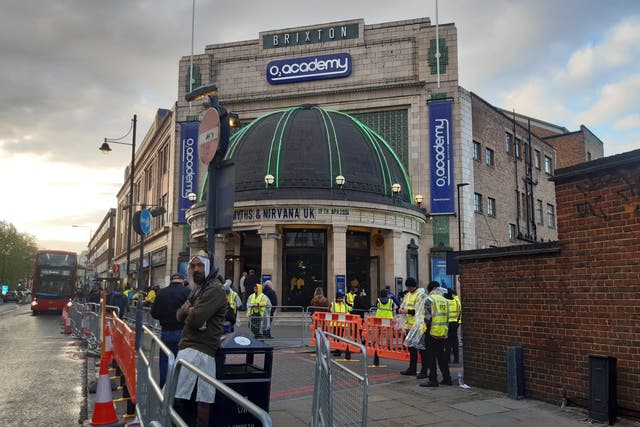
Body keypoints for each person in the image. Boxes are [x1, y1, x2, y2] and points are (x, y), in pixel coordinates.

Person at [173, 254, 227, 426]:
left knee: (186, 403)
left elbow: (196, 319)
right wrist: (188, 311)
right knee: (182, 401)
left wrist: (189, 312)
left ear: (208, 267)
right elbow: (178, 315)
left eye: (200, 266)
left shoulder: (214, 289)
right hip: (189, 350)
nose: (196, 269)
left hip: (200, 351)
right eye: (193, 266)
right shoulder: (198, 289)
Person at [150, 273, 190, 388]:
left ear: (171, 281)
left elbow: (154, 313)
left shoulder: (161, 293)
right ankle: (179, 392)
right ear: (182, 281)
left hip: (166, 332)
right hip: (183, 332)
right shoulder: (187, 292)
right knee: (182, 363)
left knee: (165, 362)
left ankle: (164, 390)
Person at [420, 281, 452, 388]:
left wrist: (423, 326)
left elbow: (428, 317)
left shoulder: (430, 299)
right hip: (442, 332)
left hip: (432, 332)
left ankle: (433, 379)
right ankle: (447, 378)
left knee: (430, 356)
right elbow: (448, 317)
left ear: (430, 290)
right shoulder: (445, 300)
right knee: (441, 356)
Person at [398, 277, 428, 379]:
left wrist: (408, 311)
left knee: (421, 349)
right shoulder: (408, 295)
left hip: (418, 326)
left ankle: (424, 371)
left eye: (408, 287)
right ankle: (412, 369)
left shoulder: (421, 295)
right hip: (409, 325)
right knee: (412, 349)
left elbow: (420, 310)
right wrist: (401, 310)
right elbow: (404, 305)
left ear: (412, 286)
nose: (407, 289)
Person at [329, 291, 351, 356]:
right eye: (339, 298)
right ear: (336, 298)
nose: (340, 299)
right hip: (335, 324)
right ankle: (337, 350)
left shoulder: (345, 305)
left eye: (341, 298)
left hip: (342, 324)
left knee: (340, 337)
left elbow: (348, 312)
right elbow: (330, 312)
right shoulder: (333, 304)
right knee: (336, 338)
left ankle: (338, 350)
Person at [444, 288, 462, 364]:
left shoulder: (445, 302)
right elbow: (460, 312)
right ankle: (456, 359)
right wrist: (458, 322)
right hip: (455, 324)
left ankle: (448, 359)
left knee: (447, 342)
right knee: (455, 342)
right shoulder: (456, 301)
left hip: (447, 324)